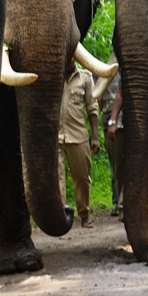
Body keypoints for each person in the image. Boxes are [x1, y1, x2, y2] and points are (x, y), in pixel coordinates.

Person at [58, 57, 100, 228]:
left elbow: (92, 107)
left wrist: (95, 137)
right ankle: (61, 218)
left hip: (78, 136)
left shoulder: (85, 77)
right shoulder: (54, 77)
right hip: (56, 137)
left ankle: (84, 214)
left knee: (82, 177)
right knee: (57, 177)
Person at [100, 63, 124, 219]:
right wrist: (111, 122)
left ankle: (124, 205)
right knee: (118, 168)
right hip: (113, 127)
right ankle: (120, 204)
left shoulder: (131, 72)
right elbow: (99, 101)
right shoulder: (105, 74)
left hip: (131, 124)